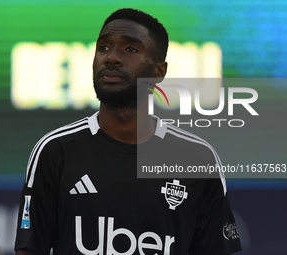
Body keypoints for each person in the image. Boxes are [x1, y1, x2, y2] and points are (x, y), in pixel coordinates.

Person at [15, 8, 242, 255]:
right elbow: (29, 249)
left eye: (130, 49)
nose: (111, 58)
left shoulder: (197, 157)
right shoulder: (55, 150)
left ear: (159, 72)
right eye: (103, 47)